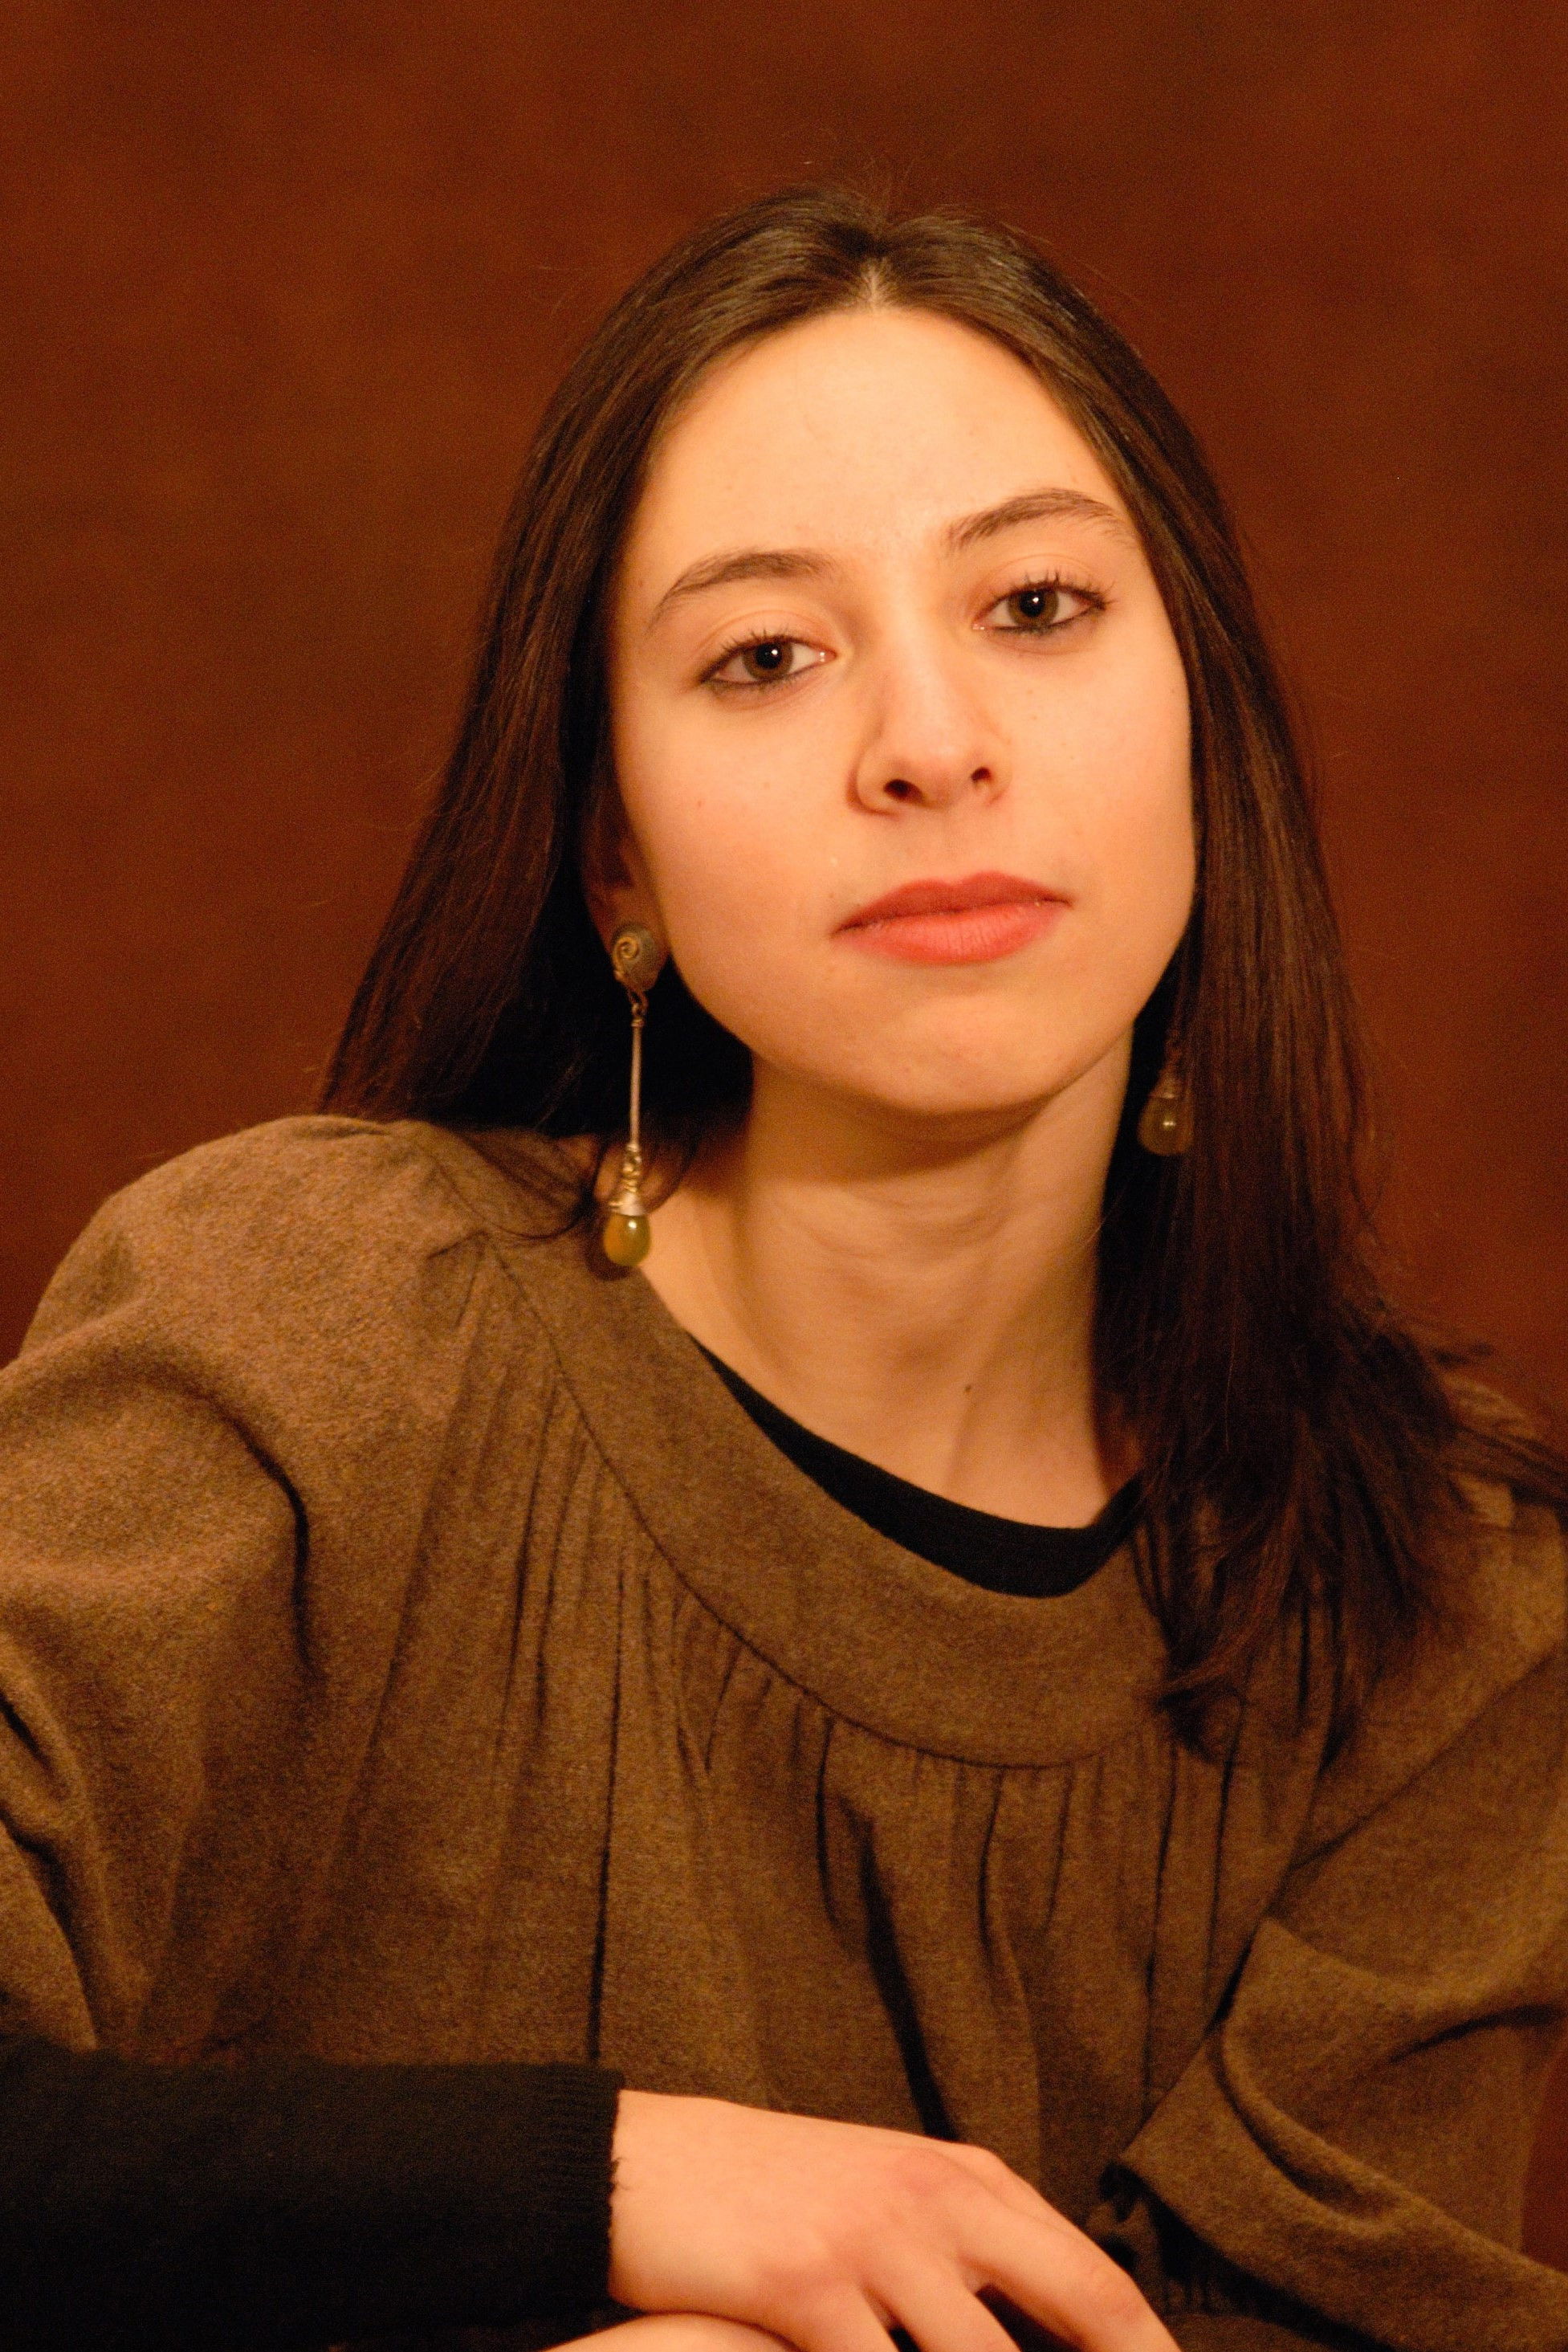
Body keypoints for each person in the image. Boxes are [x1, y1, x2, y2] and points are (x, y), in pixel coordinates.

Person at [1, 185, 1565, 2352]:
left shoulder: (1442, 1596)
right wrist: (617, 2187)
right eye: (764, 654)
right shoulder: (302, 1326)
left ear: (1203, 727)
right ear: (614, 856)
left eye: (1034, 605)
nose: (928, 741)